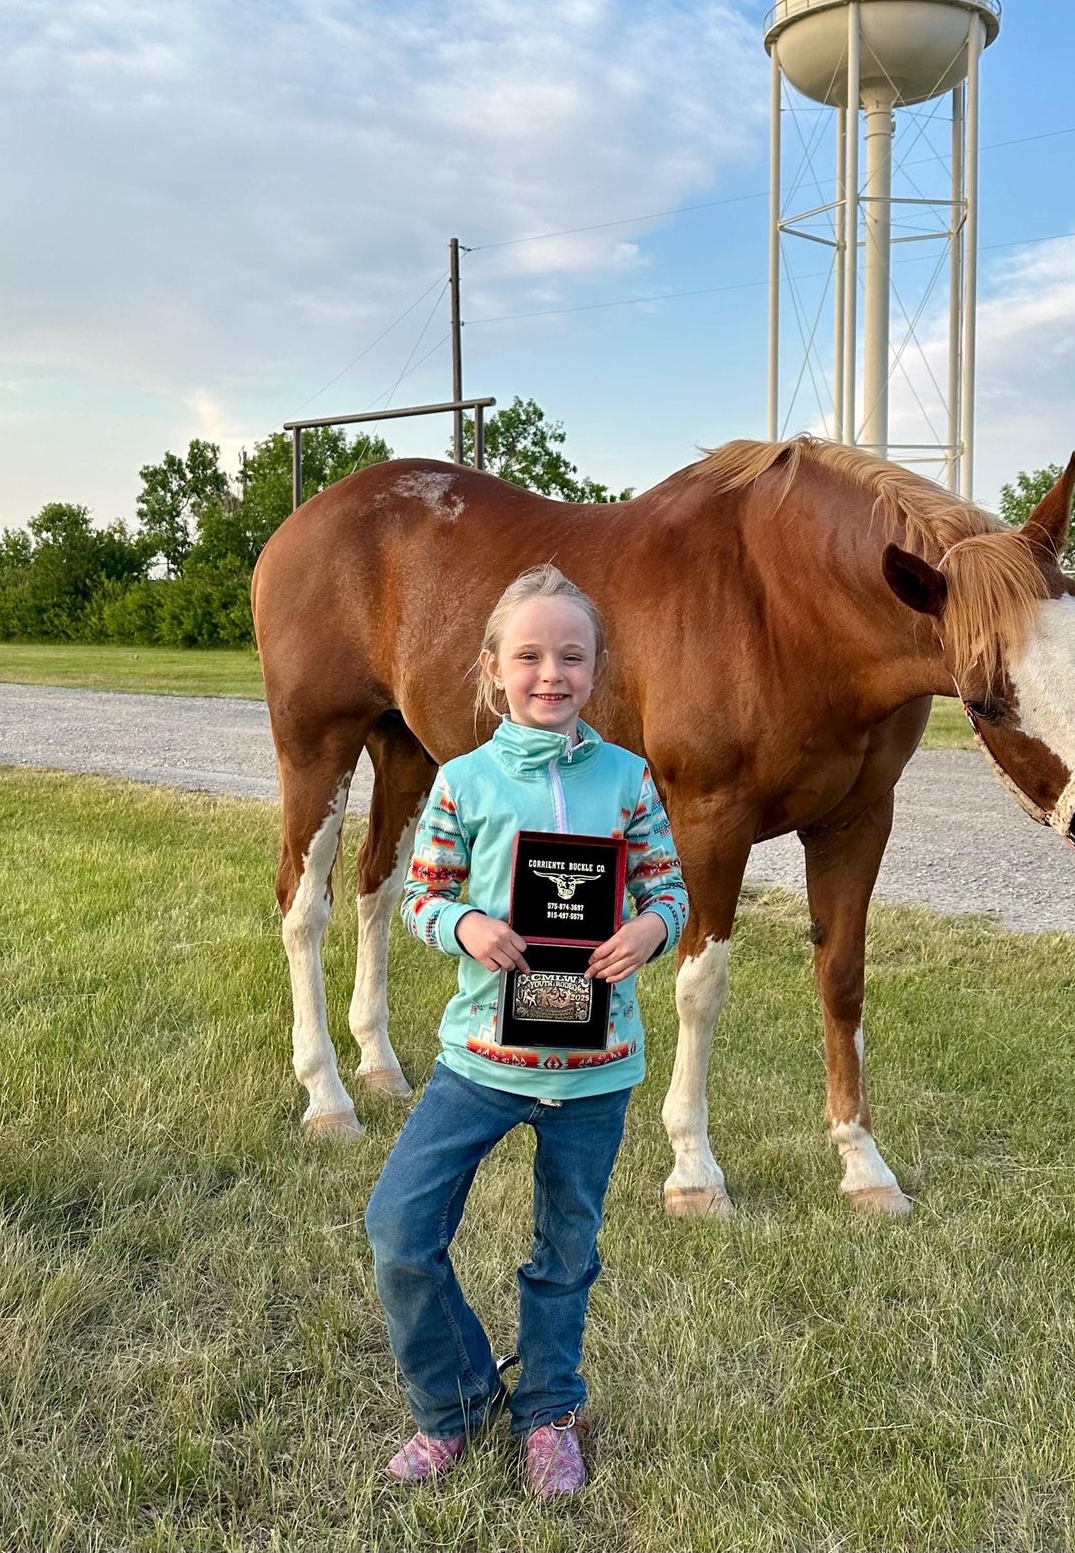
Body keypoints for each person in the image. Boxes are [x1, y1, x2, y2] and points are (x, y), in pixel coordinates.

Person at [364, 564, 688, 1498]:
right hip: (480, 1063)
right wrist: (463, 924)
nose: (552, 672)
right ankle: (456, 1404)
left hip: (596, 1071)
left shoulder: (629, 779)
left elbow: (668, 887)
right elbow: (423, 893)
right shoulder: (462, 783)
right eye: (531, 655)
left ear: (595, 670)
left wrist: (650, 929)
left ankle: (548, 1411)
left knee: (566, 1253)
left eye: (572, 656)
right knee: (398, 1228)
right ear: (492, 667)